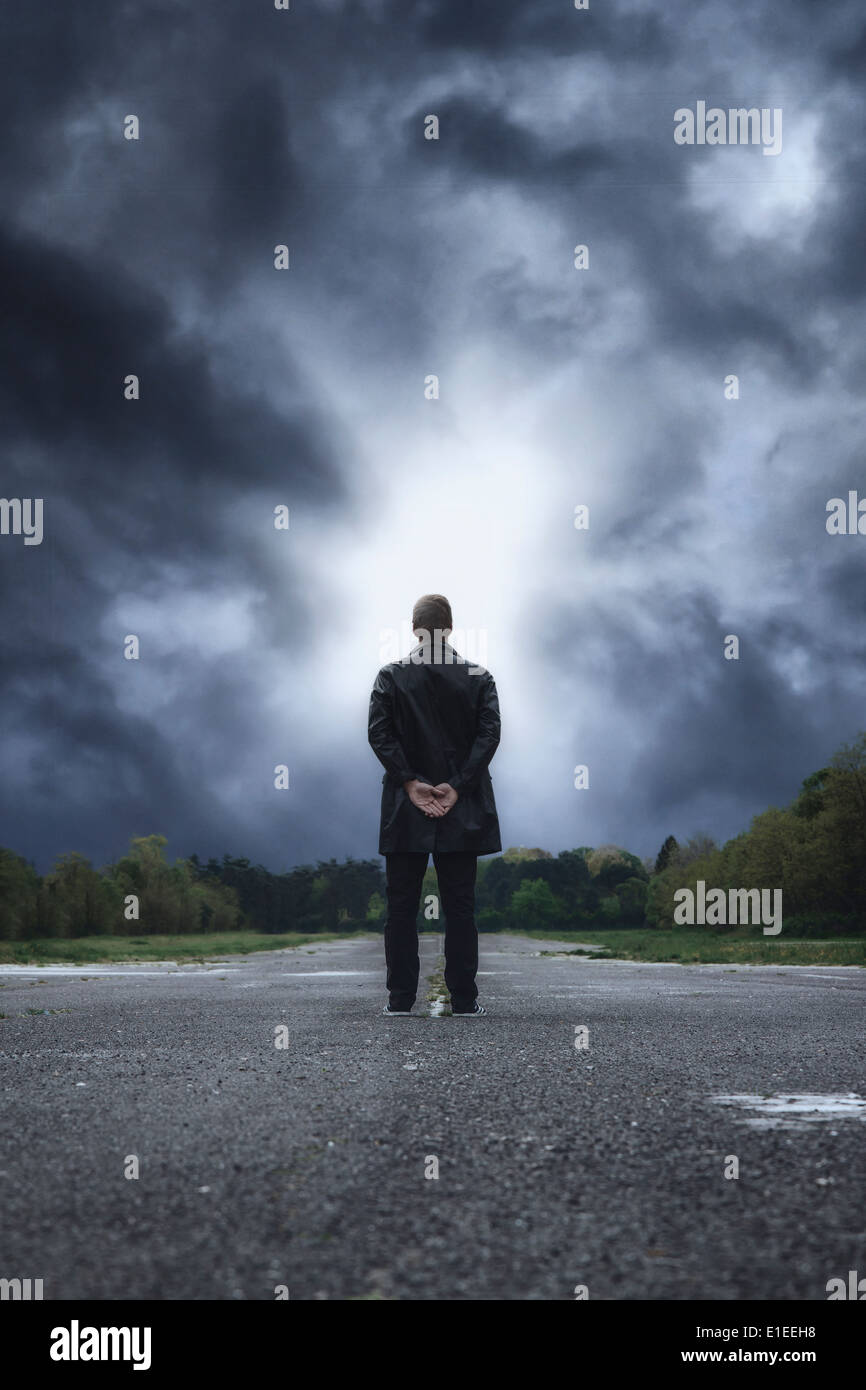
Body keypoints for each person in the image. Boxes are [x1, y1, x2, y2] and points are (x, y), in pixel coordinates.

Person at [367, 594, 501, 1017]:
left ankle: (400, 1001)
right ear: (450, 627)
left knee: (401, 907)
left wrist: (410, 782)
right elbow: (488, 737)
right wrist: (457, 787)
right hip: (461, 809)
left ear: (413, 627)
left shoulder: (390, 676)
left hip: (406, 809)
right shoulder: (479, 677)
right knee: (460, 906)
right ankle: (464, 1001)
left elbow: (379, 734)